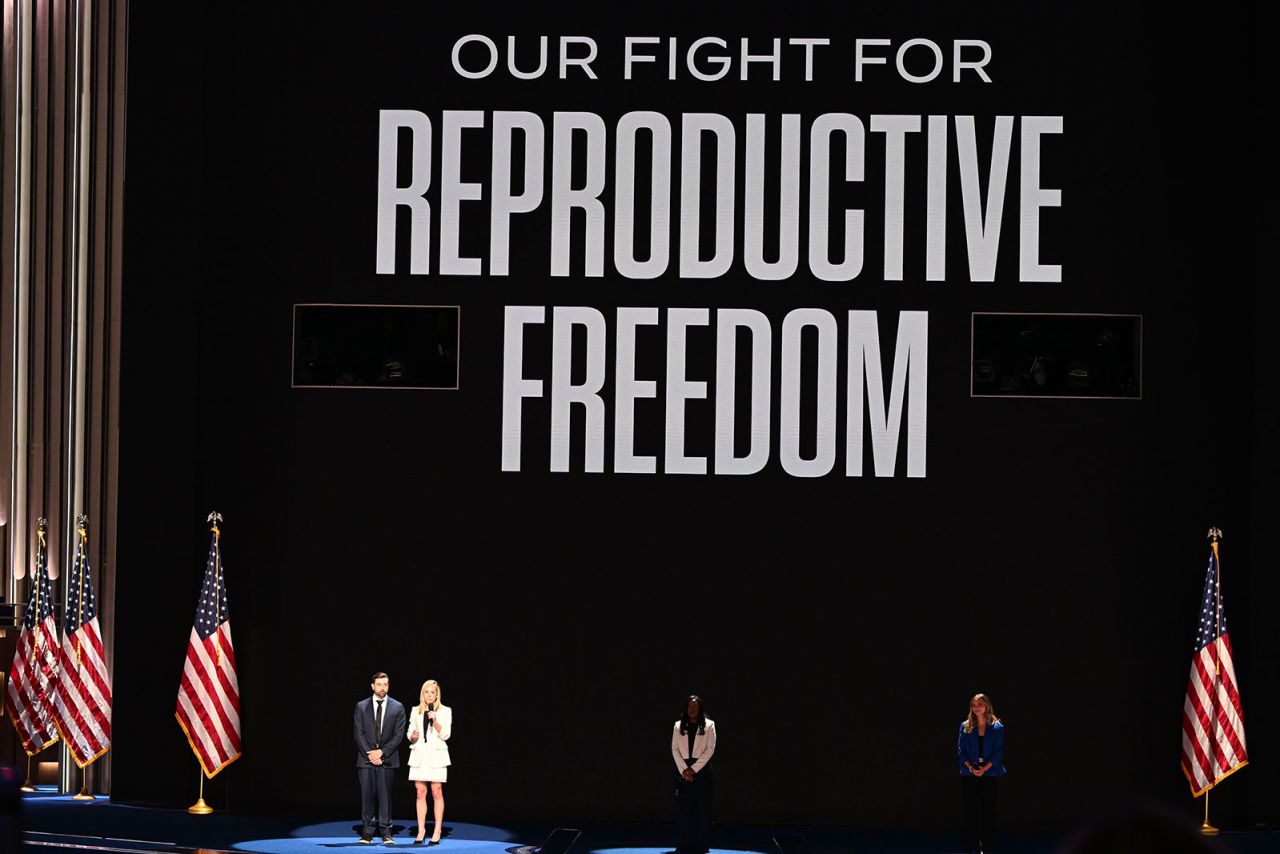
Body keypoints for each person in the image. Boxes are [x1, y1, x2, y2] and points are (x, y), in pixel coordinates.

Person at [355, 672, 407, 844]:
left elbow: (399, 735)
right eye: (379, 684)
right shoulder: (361, 706)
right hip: (366, 759)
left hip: (388, 759)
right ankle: (367, 832)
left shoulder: (397, 707)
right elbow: (358, 733)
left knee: (385, 797)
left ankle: (386, 832)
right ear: (372, 686)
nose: (382, 688)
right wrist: (371, 754)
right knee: (367, 797)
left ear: (388, 686)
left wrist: (382, 753)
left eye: (385, 684)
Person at [957, 692, 1006, 854]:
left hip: (990, 774)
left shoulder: (997, 727)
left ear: (986, 706)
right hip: (969, 774)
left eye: (980, 704)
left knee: (987, 812)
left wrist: (984, 769)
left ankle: (987, 847)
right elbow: (961, 751)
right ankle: (971, 847)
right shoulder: (965, 726)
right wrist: (971, 768)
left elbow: (997, 754)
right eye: (974, 705)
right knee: (970, 812)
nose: (977, 708)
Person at [407, 679, 452, 845]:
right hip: (420, 755)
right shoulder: (415, 710)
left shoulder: (445, 711)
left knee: (436, 791)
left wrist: (436, 720)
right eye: (427, 692)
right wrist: (413, 736)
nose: (429, 695)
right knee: (420, 792)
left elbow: (446, 734)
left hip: (437, 756)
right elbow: (410, 732)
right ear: (422, 694)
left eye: (432, 692)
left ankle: (437, 830)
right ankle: (421, 830)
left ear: (437, 694)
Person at [671, 694, 716, 854]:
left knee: (702, 809)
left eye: (695, 706)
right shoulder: (678, 725)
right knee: (684, 809)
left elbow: (710, 749)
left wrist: (693, 769)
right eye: (690, 706)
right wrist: (684, 770)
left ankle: (701, 844)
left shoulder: (710, 725)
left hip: (701, 770)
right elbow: (674, 749)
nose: (692, 709)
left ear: (700, 708)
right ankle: (684, 843)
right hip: (683, 770)